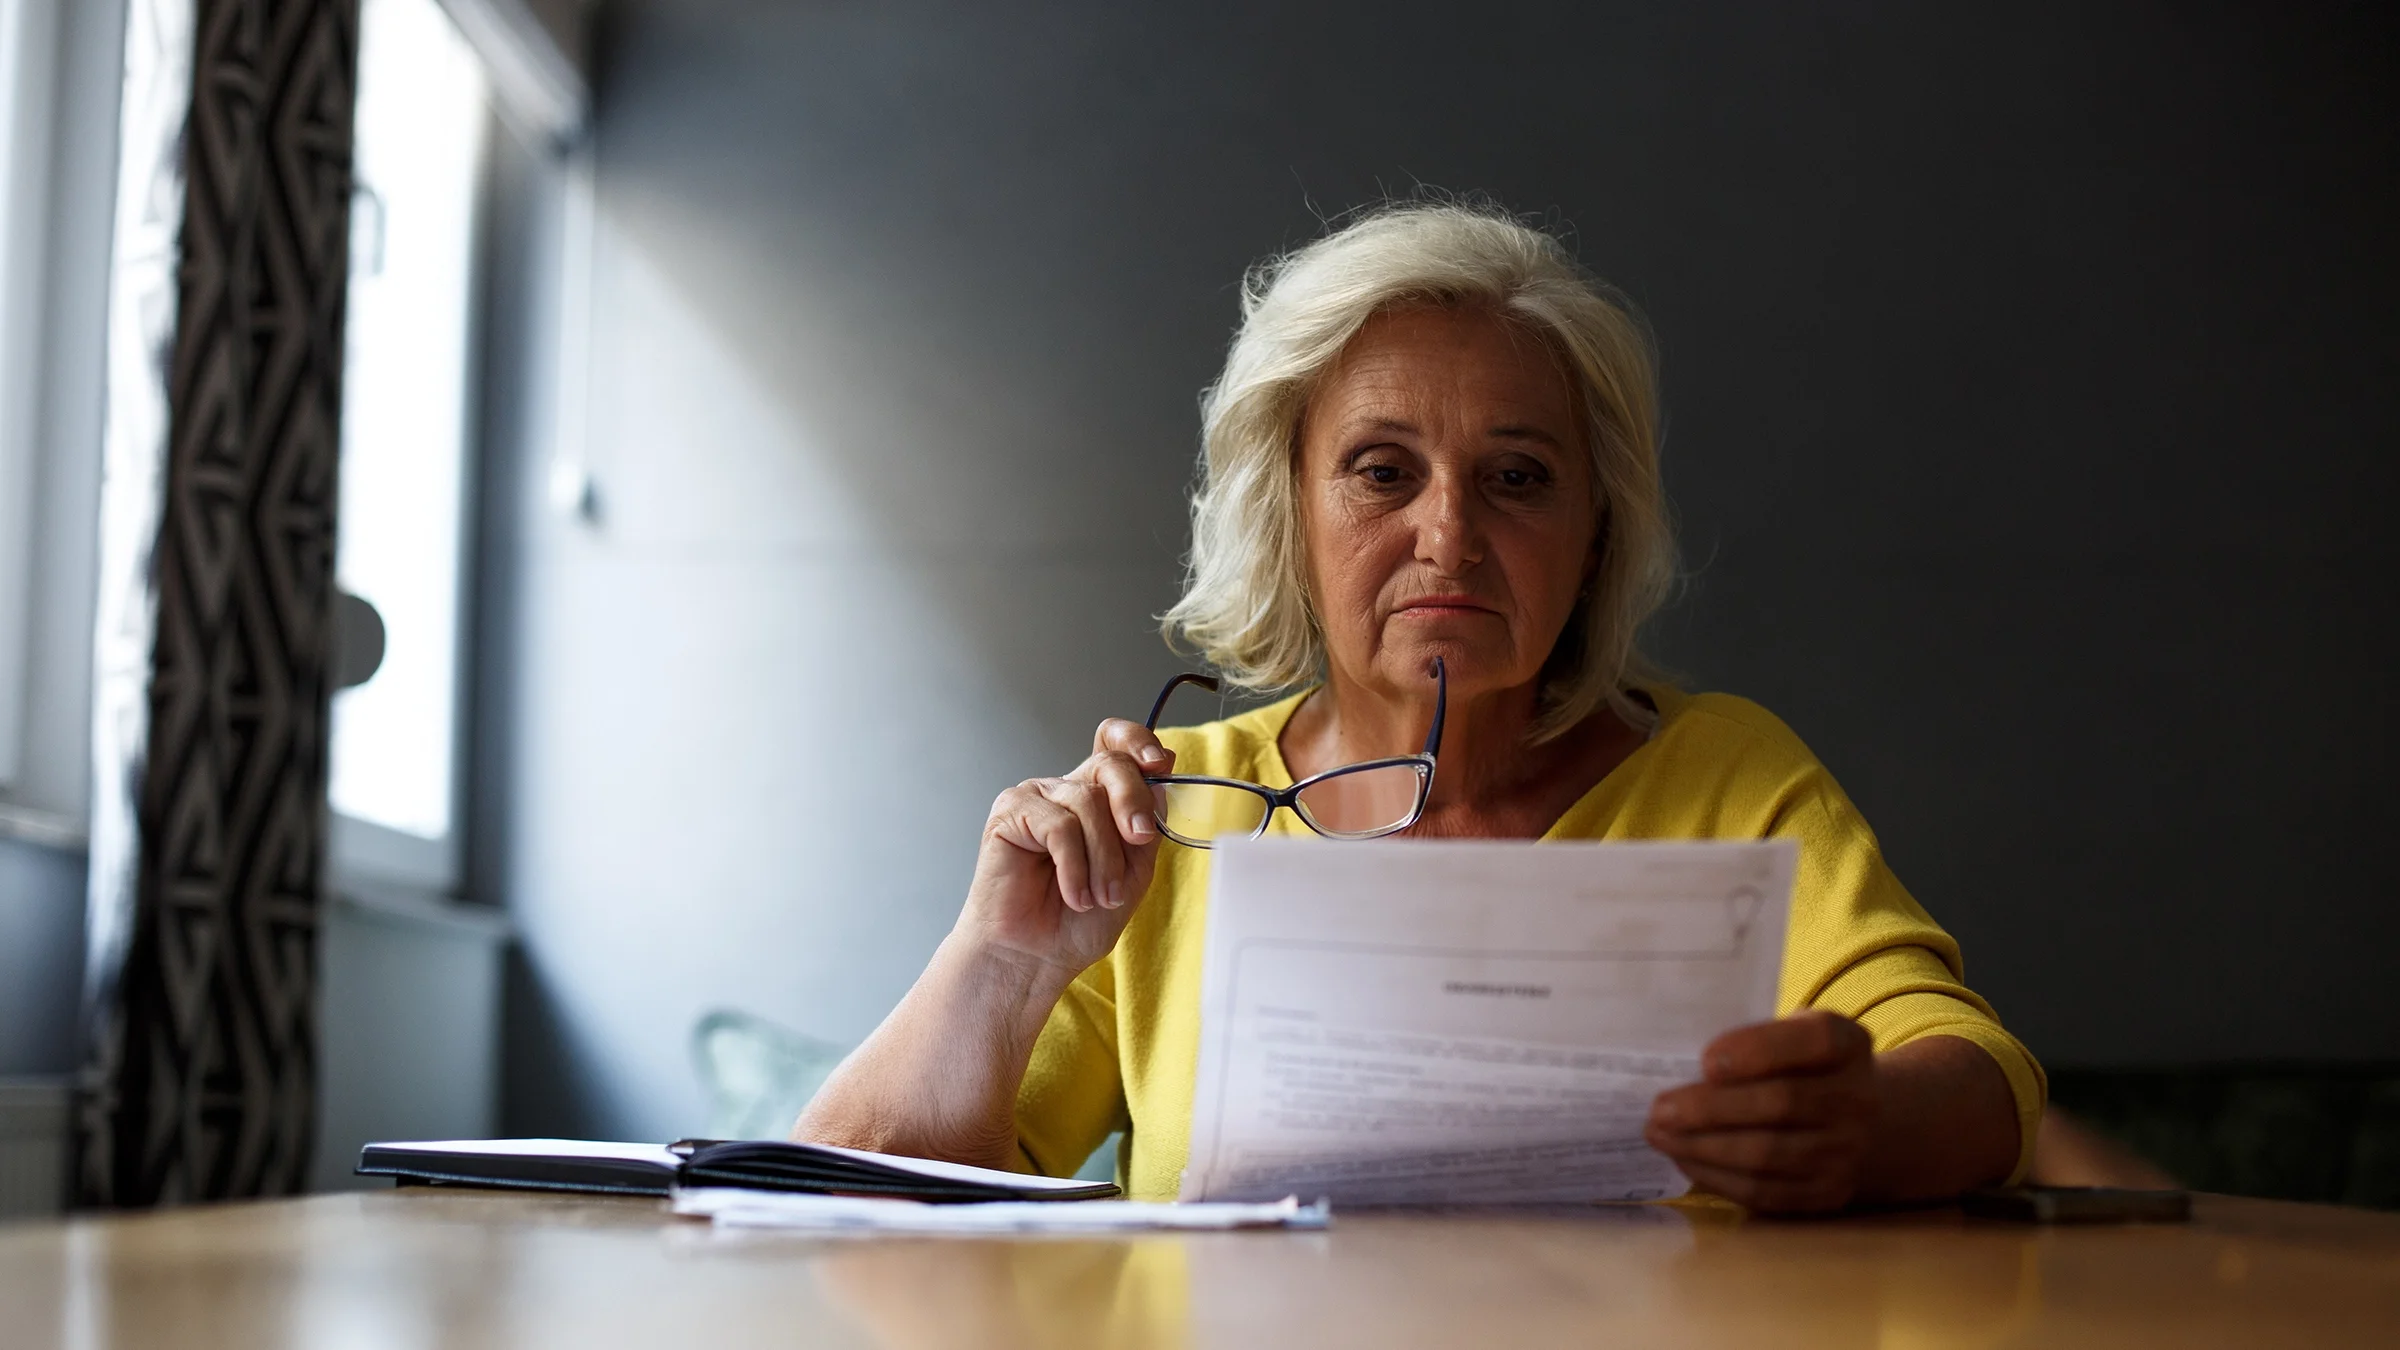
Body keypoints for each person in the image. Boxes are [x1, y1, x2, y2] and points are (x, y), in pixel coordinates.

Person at [798, 203, 2042, 1213]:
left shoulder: (1726, 777)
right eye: (1382, 471)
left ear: (1595, 529)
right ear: (1288, 509)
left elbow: (1978, 1079)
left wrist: (1858, 1130)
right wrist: (1004, 963)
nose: (1449, 536)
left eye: (1517, 478)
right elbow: (844, 1206)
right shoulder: (1164, 821)